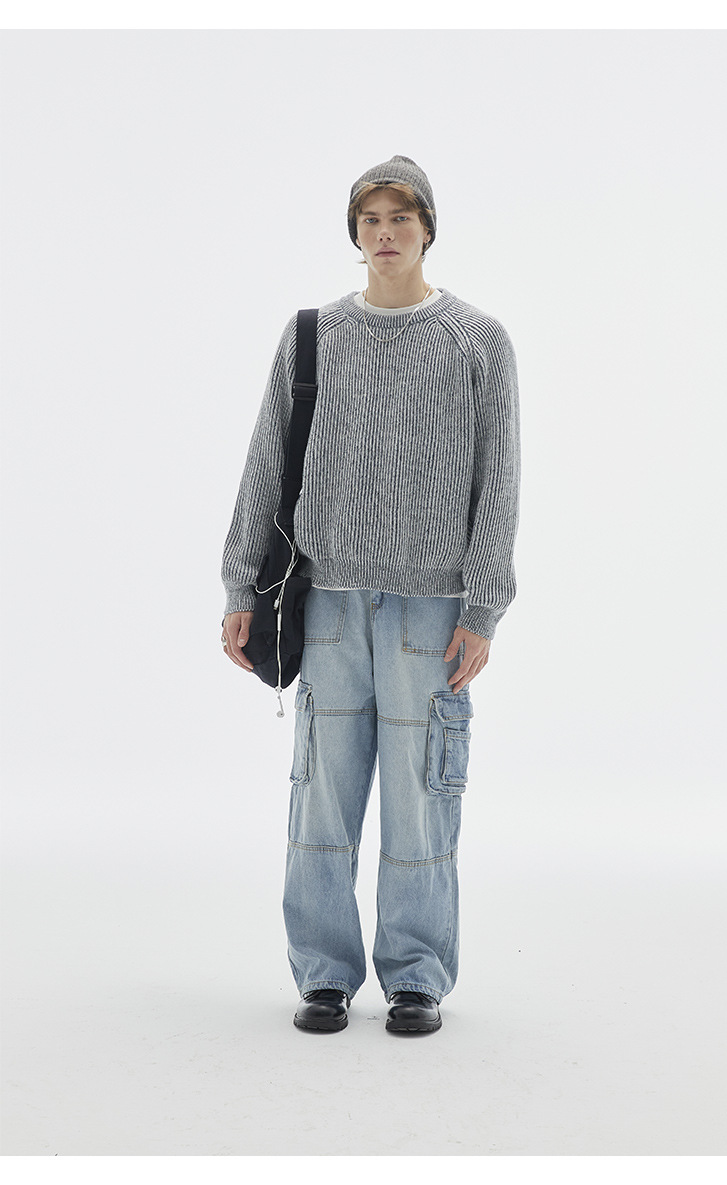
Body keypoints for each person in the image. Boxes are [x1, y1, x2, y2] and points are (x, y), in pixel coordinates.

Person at [220, 154, 521, 1035]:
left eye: (401, 218)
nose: (385, 234)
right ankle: (323, 973)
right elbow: (266, 462)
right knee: (321, 792)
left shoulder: (479, 340)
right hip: (329, 606)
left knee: (422, 798)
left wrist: (484, 607)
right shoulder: (313, 336)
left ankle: (416, 975)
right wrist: (241, 583)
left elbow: (499, 481)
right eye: (370, 220)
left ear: (428, 228)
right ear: (355, 234)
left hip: (432, 611)